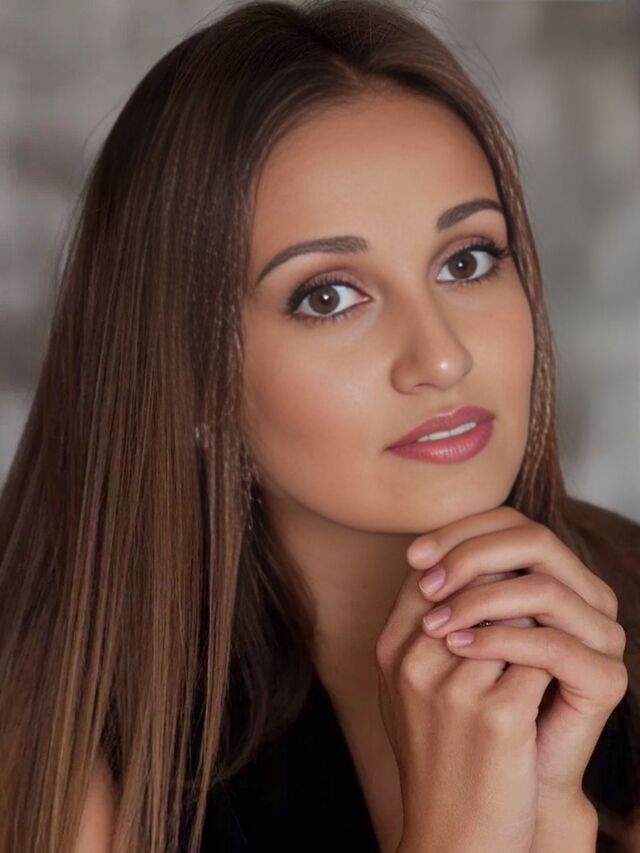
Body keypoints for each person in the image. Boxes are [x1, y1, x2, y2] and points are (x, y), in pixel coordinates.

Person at [0, 0, 638, 851]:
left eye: (467, 260)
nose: (440, 357)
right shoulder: (54, 747)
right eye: (329, 296)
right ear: (193, 375)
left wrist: (555, 820)